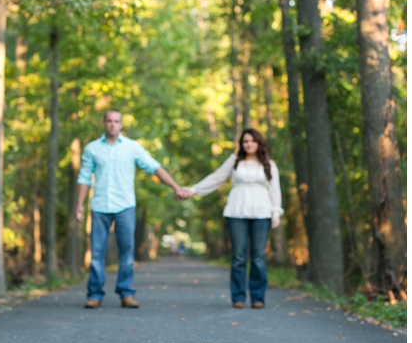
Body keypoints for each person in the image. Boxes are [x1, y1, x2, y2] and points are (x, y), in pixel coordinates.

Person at [75, 109, 191, 309]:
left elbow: (154, 167)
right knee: (96, 253)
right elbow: (84, 178)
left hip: (125, 207)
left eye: (116, 121)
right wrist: (79, 205)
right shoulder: (92, 149)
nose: (112, 124)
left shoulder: (132, 148)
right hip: (100, 206)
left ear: (121, 125)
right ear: (104, 124)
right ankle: (94, 295)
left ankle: (126, 293)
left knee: (127, 253)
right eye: (109, 121)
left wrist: (175, 187)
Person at [183, 128, 283, 309]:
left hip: (262, 213)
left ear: (259, 143)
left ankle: (258, 297)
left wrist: (276, 212)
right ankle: (238, 297)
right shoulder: (234, 161)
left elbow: (275, 189)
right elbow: (217, 178)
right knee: (238, 256)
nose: (249, 144)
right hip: (236, 212)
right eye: (245, 141)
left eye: (253, 141)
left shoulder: (268, 163)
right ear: (241, 144)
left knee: (258, 257)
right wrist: (194, 190)